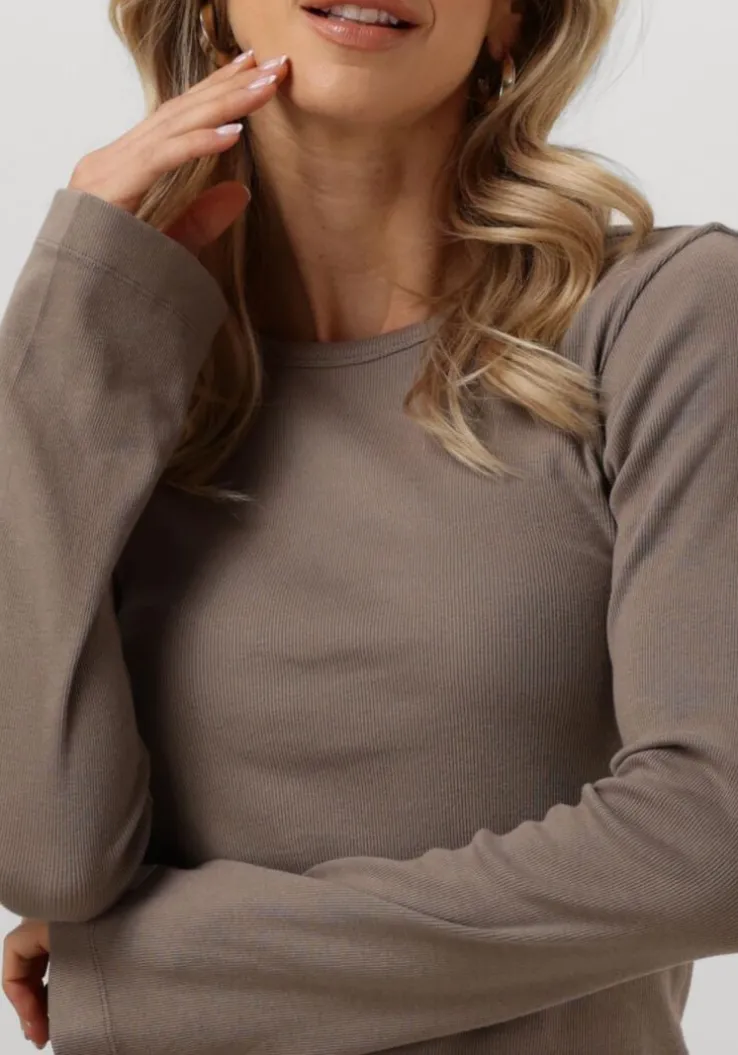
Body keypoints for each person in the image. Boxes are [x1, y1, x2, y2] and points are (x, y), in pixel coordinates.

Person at [1, 0, 737, 1052]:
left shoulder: (664, 317)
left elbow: (712, 838)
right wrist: (61, 343)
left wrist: (149, 969)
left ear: (509, 18)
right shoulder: (121, 369)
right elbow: (52, 862)